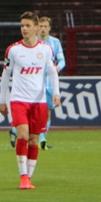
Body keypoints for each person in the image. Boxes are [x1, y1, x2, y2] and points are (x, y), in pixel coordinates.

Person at [0, 12, 60, 190]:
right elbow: (5, 76)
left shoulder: (46, 49)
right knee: (23, 135)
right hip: (19, 100)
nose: (24, 29)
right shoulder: (14, 50)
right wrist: (3, 100)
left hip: (39, 102)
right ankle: (23, 176)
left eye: (27, 26)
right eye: (22, 26)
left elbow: (52, 71)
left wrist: (56, 93)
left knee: (34, 140)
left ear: (36, 27)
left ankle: (29, 177)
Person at [37, 16, 66, 149]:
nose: (42, 29)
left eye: (45, 27)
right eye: (40, 26)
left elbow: (62, 61)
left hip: (49, 84)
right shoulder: (33, 42)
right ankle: (18, 130)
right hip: (35, 84)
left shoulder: (55, 42)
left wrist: (56, 69)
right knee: (34, 111)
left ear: (49, 28)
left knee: (48, 112)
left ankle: (42, 138)